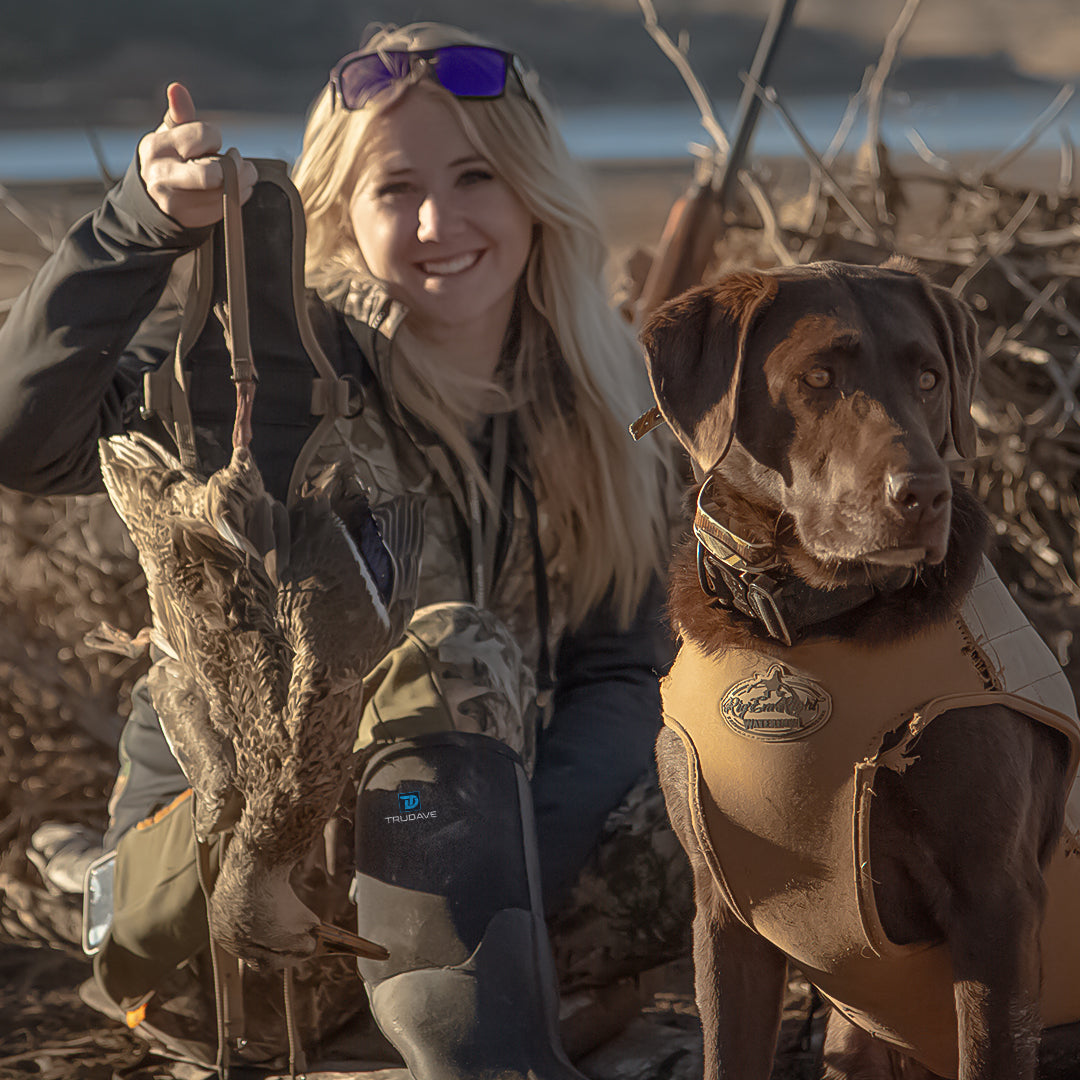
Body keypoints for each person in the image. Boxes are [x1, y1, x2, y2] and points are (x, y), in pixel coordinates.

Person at [0, 21, 691, 1078]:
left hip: (469, 890)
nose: (437, 220)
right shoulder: (268, 367)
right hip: (238, 915)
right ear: (341, 210)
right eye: (394, 188)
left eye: (475, 176)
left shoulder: (599, 402)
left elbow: (617, 673)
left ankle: (461, 1011)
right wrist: (137, 228)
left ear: (531, 190)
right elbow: (22, 438)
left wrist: (508, 880)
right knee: (452, 653)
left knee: (745, 765)